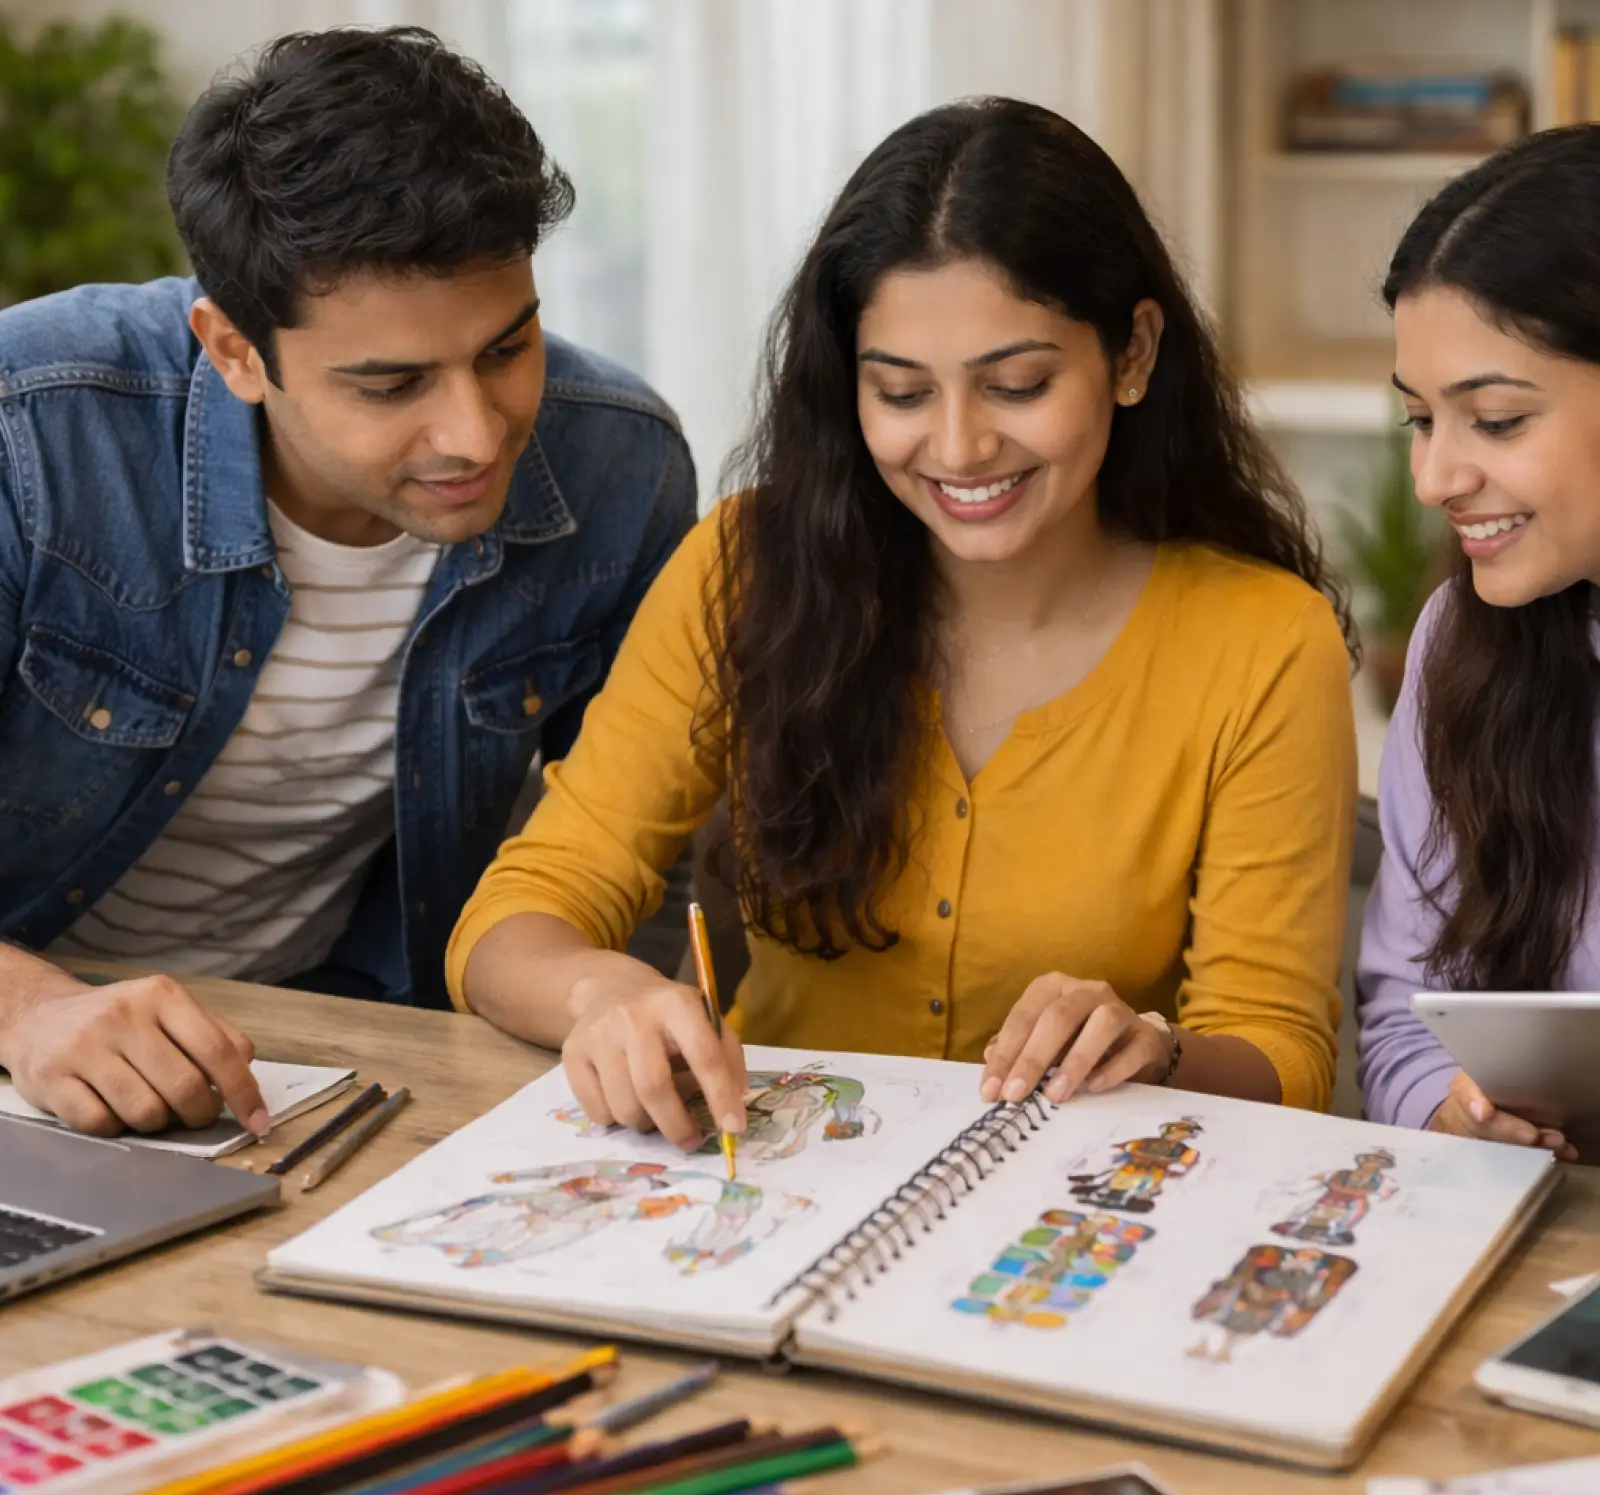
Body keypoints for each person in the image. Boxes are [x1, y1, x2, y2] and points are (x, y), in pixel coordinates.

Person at [449, 98, 1358, 1150]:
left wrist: (1154, 1049)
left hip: (1068, 1221)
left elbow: (1279, 1046)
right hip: (764, 1183)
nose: (960, 447)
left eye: (1017, 385)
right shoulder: (749, 567)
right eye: (902, 392)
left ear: (1132, 352)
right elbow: (518, 910)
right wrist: (598, 992)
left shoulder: (1262, 641)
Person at [0, 28, 695, 1137]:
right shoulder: (33, 432)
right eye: (392, 385)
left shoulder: (621, 465)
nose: (475, 434)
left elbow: (637, 848)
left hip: (347, 1060)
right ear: (232, 350)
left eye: (509, 348)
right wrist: (27, 1010)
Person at [1357, 124, 1600, 1163]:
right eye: (1420, 419)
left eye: (1493, 420)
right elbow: (1408, 1015)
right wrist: (1456, 1117)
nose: (1434, 477)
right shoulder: (1464, 641)